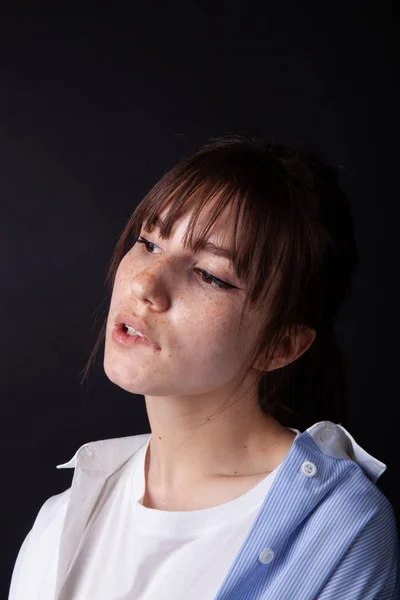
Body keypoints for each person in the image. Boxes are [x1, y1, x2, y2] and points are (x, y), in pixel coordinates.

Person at [9, 135, 399, 599]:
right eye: (148, 242)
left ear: (282, 345)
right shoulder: (60, 523)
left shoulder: (338, 530)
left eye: (210, 275)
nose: (146, 285)